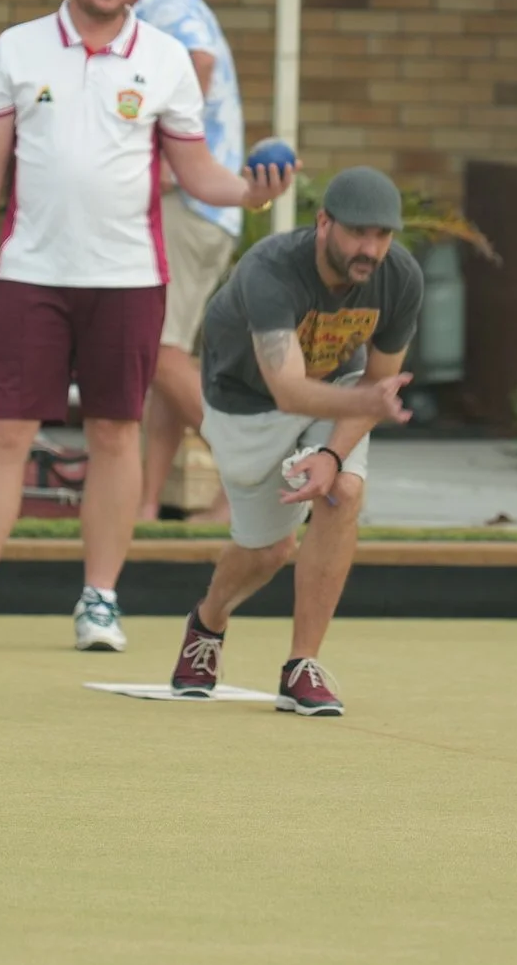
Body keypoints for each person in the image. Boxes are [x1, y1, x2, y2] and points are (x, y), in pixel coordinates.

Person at [0, 0, 293, 653]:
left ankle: (99, 600)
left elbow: (195, 169)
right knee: (5, 432)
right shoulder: (19, 48)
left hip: (128, 277)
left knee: (116, 433)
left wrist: (249, 194)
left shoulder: (164, 56)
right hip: (31, 272)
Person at [167, 167, 422, 716]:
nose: (370, 248)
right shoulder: (271, 270)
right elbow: (286, 389)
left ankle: (301, 665)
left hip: (335, 388)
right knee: (269, 549)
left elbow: (376, 378)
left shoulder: (400, 277)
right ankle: (208, 623)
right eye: (358, 232)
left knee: (345, 492)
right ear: (324, 222)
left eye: (382, 235)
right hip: (245, 401)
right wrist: (367, 404)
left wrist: (332, 455)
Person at [121, 0, 245, 523]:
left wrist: (165, 153)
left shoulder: (164, 5)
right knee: (163, 362)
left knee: (156, 351)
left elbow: (198, 63)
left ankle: (257, 474)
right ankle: (144, 504)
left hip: (187, 202)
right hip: (203, 207)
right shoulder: (174, 2)